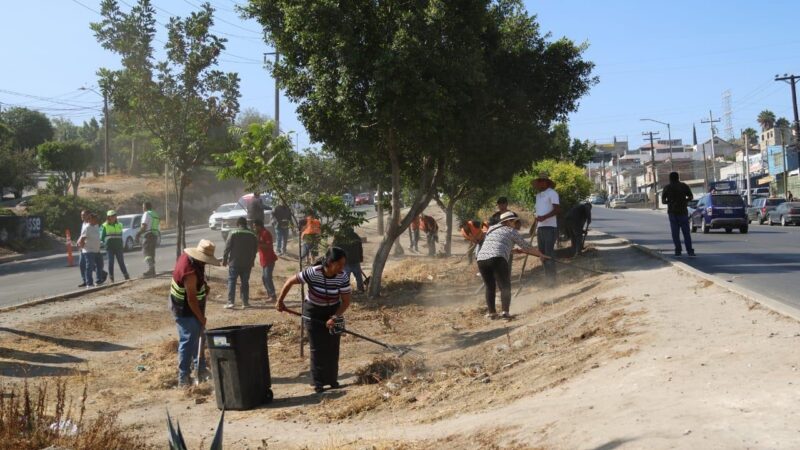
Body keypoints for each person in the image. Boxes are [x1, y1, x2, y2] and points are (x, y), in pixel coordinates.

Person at [276, 247, 352, 393]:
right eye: (339, 264)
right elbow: (290, 281)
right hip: (313, 311)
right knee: (317, 348)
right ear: (330, 262)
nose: (342, 268)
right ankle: (318, 383)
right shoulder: (313, 272)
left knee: (332, 346)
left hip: (334, 311)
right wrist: (280, 301)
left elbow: (346, 302)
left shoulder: (342, 277)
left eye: (344, 264)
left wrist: (334, 317)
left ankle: (332, 380)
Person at [476, 212, 546, 320]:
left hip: (481, 259)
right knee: (505, 286)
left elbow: (495, 245)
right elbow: (526, 246)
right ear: (508, 222)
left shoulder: (491, 229)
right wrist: (541, 255)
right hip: (497, 258)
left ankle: (492, 313)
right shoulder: (511, 231)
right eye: (514, 221)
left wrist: (513, 251)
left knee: (490, 287)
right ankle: (505, 312)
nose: (516, 223)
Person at [170, 239, 220, 386]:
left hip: (191, 304)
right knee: (188, 339)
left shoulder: (194, 261)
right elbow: (191, 299)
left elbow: (196, 289)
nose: (206, 263)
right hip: (183, 308)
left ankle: (200, 367)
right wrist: (201, 318)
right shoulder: (189, 271)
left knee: (199, 336)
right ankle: (183, 378)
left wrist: (203, 287)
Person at [223, 217, 258, 309]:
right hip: (247, 264)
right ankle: (245, 302)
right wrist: (252, 261)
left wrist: (224, 260)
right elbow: (255, 250)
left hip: (234, 263)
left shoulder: (233, 232)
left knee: (232, 281)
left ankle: (230, 302)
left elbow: (227, 247)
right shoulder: (252, 234)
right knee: (245, 282)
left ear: (238, 224)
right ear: (246, 224)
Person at [533, 172, 560, 285]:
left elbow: (557, 210)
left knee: (548, 253)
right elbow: (539, 211)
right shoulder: (538, 196)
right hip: (541, 228)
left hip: (550, 227)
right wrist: (537, 218)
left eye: (541, 181)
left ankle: (552, 280)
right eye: (538, 181)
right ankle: (548, 279)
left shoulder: (552, 193)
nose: (539, 183)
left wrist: (544, 217)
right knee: (542, 254)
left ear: (546, 182)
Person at [661, 171, 695, 257]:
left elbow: (663, 201)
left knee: (675, 233)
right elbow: (691, 197)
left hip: (672, 213)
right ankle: (690, 251)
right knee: (686, 233)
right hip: (683, 212)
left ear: (670, 178)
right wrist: (685, 201)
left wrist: (670, 201)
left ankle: (678, 250)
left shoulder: (667, 188)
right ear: (678, 177)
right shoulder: (684, 186)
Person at [101, 210, 130, 282]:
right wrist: (105, 243)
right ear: (108, 217)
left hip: (118, 247)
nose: (114, 217)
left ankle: (126, 275)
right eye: (112, 216)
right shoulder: (104, 226)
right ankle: (111, 277)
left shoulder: (120, 224)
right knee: (111, 262)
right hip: (110, 247)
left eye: (114, 215)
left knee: (121, 262)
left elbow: (120, 235)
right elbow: (101, 237)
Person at [333, 226, 365, 292]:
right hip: (355, 260)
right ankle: (361, 289)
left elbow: (334, 249)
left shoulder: (338, 238)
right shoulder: (355, 236)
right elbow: (360, 248)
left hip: (345, 262)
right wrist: (360, 258)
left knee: (345, 278)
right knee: (358, 277)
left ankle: (345, 291)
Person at [78, 213, 105, 287]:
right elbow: (82, 240)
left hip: (97, 250)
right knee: (89, 267)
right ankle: (89, 283)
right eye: (95, 219)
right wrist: (83, 249)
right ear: (90, 220)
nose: (97, 220)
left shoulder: (96, 226)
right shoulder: (87, 228)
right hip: (89, 251)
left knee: (100, 265)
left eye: (97, 219)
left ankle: (99, 280)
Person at [254, 219, 278, 302]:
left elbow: (269, 246)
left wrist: (258, 244)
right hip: (264, 260)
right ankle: (270, 295)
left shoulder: (265, 233)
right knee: (264, 278)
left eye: (255, 226)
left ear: (258, 226)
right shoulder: (259, 234)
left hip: (269, 259)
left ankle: (273, 296)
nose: (254, 228)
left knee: (267, 278)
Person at [136, 202, 161, 278]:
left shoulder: (146, 214)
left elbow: (144, 226)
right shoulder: (155, 214)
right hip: (155, 235)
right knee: (151, 253)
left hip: (148, 235)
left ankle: (151, 270)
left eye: (143, 207)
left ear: (145, 207)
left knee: (146, 253)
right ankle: (153, 270)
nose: (142, 209)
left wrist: (138, 234)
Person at [77, 209, 90, 288]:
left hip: (88, 247)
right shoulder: (83, 224)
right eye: (81, 215)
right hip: (83, 247)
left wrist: (83, 243)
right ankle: (84, 280)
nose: (82, 216)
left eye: (84, 215)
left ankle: (101, 273)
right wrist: (78, 242)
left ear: (88, 215)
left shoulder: (89, 224)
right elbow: (82, 235)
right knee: (82, 264)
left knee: (89, 264)